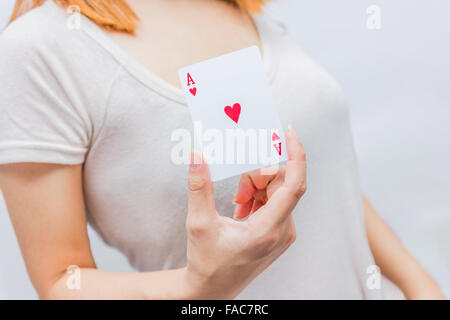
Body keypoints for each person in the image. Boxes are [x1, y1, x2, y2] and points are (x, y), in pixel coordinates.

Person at [0, 0, 444, 299]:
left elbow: (318, 177)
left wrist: (419, 285)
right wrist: (198, 285)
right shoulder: (41, 49)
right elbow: (61, 281)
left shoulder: (239, 10)